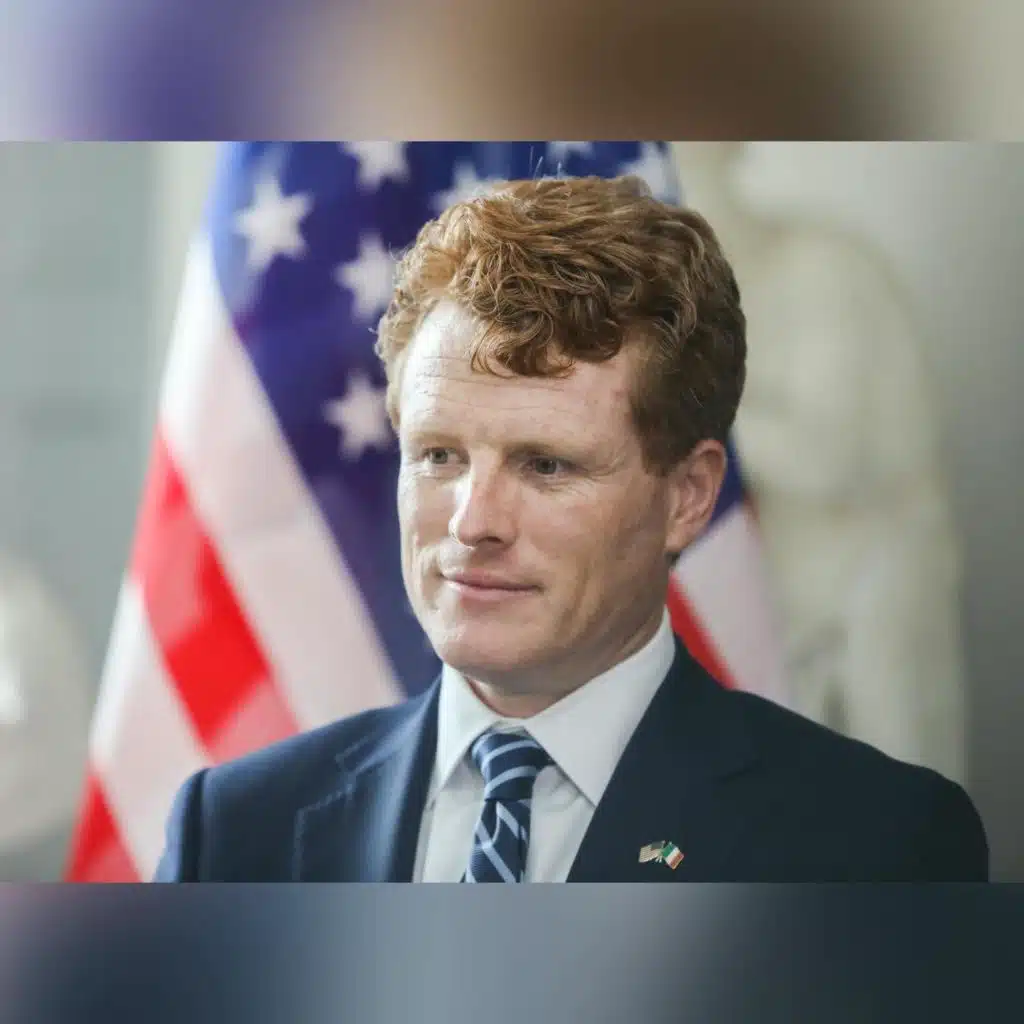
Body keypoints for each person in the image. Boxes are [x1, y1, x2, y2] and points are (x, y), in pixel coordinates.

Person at [154, 174, 987, 882]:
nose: (473, 522)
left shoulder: (877, 844)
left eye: (546, 465)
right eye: (439, 456)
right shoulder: (233, 832)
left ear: (689, 496)